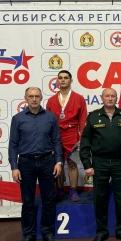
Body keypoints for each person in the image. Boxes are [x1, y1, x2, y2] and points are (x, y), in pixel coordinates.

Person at [79, 88, 121, 241]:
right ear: (102, 98)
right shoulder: (93, 117)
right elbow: (85, 142)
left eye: (113, 96)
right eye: (107, 96)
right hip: (100, 163)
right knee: (100, 198)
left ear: (116, 98)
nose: (110, 98)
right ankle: (101, 231)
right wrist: (87, 164)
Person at [9, 87, 63, 241]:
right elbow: (13, 145)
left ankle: (48, 233)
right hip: (26, 163)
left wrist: (58, 162)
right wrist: (14, 167)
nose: (34, 99)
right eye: (31, 96)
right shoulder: (18, 119)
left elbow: (56, 141)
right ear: (25, 98)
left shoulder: (50, 117)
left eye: (37, 96)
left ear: (41, 98)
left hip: (47, 161)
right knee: (28, 202)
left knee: (48, 200)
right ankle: (28, 235)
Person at [46, 70, 87, 202]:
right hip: (56, 134)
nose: (63, 80)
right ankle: (59, 190)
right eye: (60, 78)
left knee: (72, 163)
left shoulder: (79, 98)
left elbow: (82, 120)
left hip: (72, 134)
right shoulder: (51, 100)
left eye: (66, 78)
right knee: (58, 163)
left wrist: (82, 138)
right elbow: (48, 121)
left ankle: (73, 190)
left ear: (71, 80)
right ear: (57, 81)